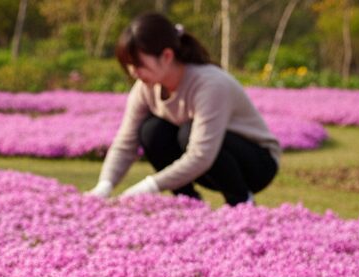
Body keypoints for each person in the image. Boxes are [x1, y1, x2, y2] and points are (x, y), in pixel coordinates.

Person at [88, 13, 280, 206]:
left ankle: (241, 201)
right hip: (210, 163)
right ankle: (189, 202)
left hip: (257, 164)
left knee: (188, 132)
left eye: (139, 64)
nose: (133, 72)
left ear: (166, 56)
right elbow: (126, 142)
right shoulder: (145, 87)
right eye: (129, 65)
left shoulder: (210, 84)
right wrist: (104, 185)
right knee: (151, 131)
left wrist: (150, 186)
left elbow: (201, 154)